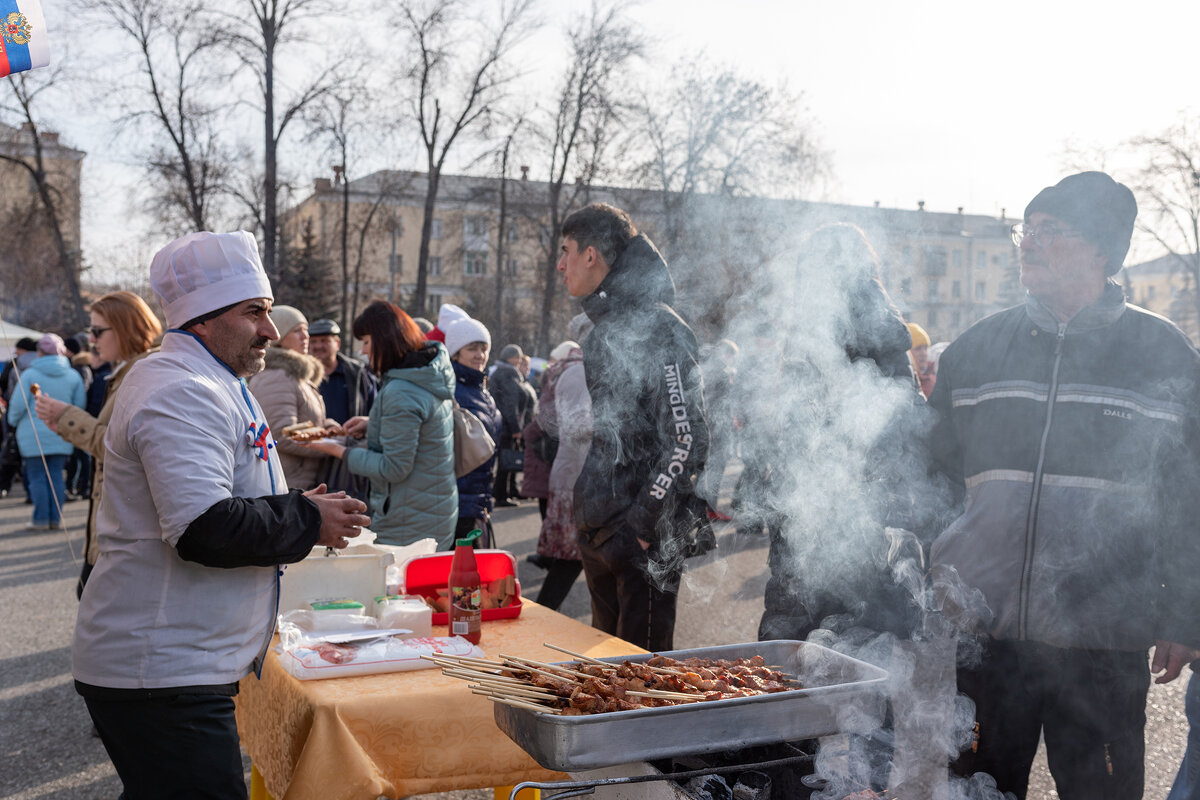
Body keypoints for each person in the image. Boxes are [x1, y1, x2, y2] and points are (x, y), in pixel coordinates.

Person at [927, 172, 1200, 799]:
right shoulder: (976, 350)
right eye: (1029, 229)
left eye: (1052, 232)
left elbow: (1190, 503)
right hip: (985, 640)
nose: (1030, 243)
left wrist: (1185, 613)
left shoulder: (1164, 357)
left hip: (1103, 641)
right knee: (974, 793)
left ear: (1101, 250)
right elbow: (928, 478)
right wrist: (929, 578)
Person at [72, 231, 370, 800]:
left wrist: (299, 509)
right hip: (160, 669)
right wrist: (309, 521)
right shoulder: (180, 389)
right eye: (254, 312)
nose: (271, 329)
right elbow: (202, 527)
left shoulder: (216, 378)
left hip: (180, 664)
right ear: (203, 322)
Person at [557, 202, 709, 651]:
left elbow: (686, 438)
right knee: (604, 686)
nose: (561, 265)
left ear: (591, 255)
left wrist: (643, 525)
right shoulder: (603, 328)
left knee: (639, 687)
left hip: (640, 539)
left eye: (566, 251)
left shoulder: (660, 327)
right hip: (602, 531)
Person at [300, 301, 457, 549]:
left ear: (385, 340)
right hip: (431, 508)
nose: (363, 351)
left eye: (366, 342)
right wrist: (374, 423)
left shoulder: (400, 391)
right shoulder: (425, 374)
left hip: (409, 519)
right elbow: (422, 428)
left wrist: (339, 450)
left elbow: (394, 467)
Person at [34, 291, 161, 595]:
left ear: (125, 327)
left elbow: (124, 448)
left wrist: (68, 417)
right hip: (116, 528)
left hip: (127, 532)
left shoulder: (146, 374)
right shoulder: (131, 371)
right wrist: (64, 421)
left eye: (97, 330)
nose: (91, 339)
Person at [532, 315, 594, 610]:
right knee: (572, 558)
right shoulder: (578, 372)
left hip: (578, 475)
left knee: (578, 559)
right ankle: (540, 618)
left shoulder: (579, 369)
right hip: (576, 477)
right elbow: (575, 426)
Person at [247, 305, 334, 490]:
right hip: (288, 483)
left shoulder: (295, 374)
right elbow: (280, 432)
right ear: (278, 336)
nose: (305, 336)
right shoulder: (277, 376)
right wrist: (330, 444)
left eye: (305, 330)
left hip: (302, 481)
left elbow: (302, 423)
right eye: (297, 331)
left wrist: (327, 427)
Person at [6, 334, 86, 530]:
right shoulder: (72, 375)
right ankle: (55, 519)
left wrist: (12, 422)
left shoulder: (30, 374)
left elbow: (17, 405)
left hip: (32, 434)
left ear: (39, 351)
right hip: (62, 433)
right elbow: (79, 406)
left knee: (37, 476)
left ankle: (41, 519)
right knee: (57, 475)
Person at [443, 315, 502, 545]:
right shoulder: (452, 391)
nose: (480, 355)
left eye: (483, 348)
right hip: (459, 502)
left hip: (479, 501)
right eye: (472, 349)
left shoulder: (482, 391)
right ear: (456, 353)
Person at [308, 317, 376, 499]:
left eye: (324, 340)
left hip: (350, 461)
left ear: (337, 343)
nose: (318, 346)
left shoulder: (357, 374)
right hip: (313, 459)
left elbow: (374, 410)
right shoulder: (301, 376)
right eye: (313, 341)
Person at [490, 343, 529, 506]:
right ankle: (501, 495)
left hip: (502, 424)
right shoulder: (507, 374)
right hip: (506, 426)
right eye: (518, 358)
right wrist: (515, 428)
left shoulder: (502, 373)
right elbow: (509, 404)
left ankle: (506, 492)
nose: (519, 361)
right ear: (511, 358)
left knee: (505, 460)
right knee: (505, 461)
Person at [0, 336, 38, 498]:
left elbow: (3, 385)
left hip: (16, 411)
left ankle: (5, 486)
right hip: (40, 414)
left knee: (11, 450)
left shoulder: (15, 364)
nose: (16, 351)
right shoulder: (42, 363)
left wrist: (11, 417)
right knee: (33, 456)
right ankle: (31, 492)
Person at [907, 322, 935, 398]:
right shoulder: (905, 382)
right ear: (907, 353)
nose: (924, 353)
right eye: (918, 349)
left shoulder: (934, 379)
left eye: (925, 348)